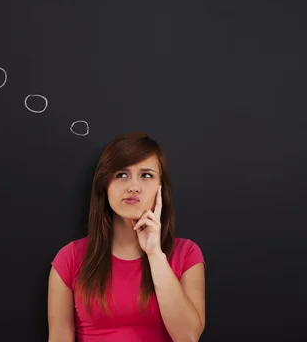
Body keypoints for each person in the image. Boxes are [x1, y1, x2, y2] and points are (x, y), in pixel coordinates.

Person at [47, 132, 205, 342]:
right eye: (121, 174)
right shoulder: (70, 258)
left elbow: (188, 337)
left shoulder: (187, 254)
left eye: (146, 175)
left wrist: (155, 254)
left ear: (161, 187)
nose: (133, 187)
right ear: (105, 185)